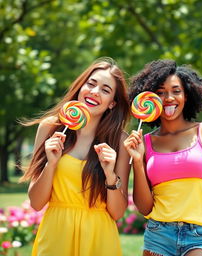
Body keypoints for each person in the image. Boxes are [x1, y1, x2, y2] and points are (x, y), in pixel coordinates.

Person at [124, 59, 202, 256]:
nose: (169, 98)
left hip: (201, 234)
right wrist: (137, 161)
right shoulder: (144, 143)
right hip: (159, 234)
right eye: (160, 92)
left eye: (176, 91)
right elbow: (145, 208)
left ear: (187, 95)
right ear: (149, 98)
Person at [20, 57, 131, 256]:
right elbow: (36, 203)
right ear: (81, 87)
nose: (95, 92)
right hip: (56, 235)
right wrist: (51, 164)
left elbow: (118, 213)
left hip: (99, 239)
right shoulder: (50, 128)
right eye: (91, 83)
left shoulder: (120, 141)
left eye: (105, 90)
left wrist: (110, 175)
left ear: (112, 103)